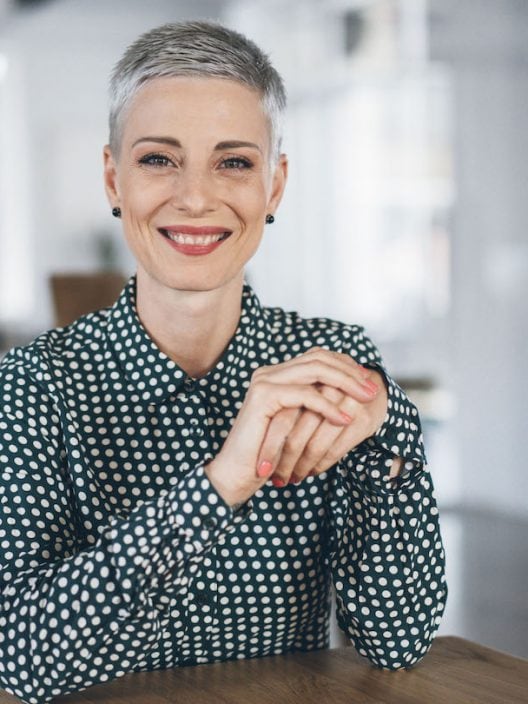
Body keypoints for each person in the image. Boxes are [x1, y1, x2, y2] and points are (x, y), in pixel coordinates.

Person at [0, 21, 447, 704]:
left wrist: (386, 437)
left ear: (275, 187)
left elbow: (398, 639)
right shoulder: (32, 388)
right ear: (113, 178)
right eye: (159, 159)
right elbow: (23, 660)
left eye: (234, 162)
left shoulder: (336, 367)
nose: (197, 197)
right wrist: (223, 483)